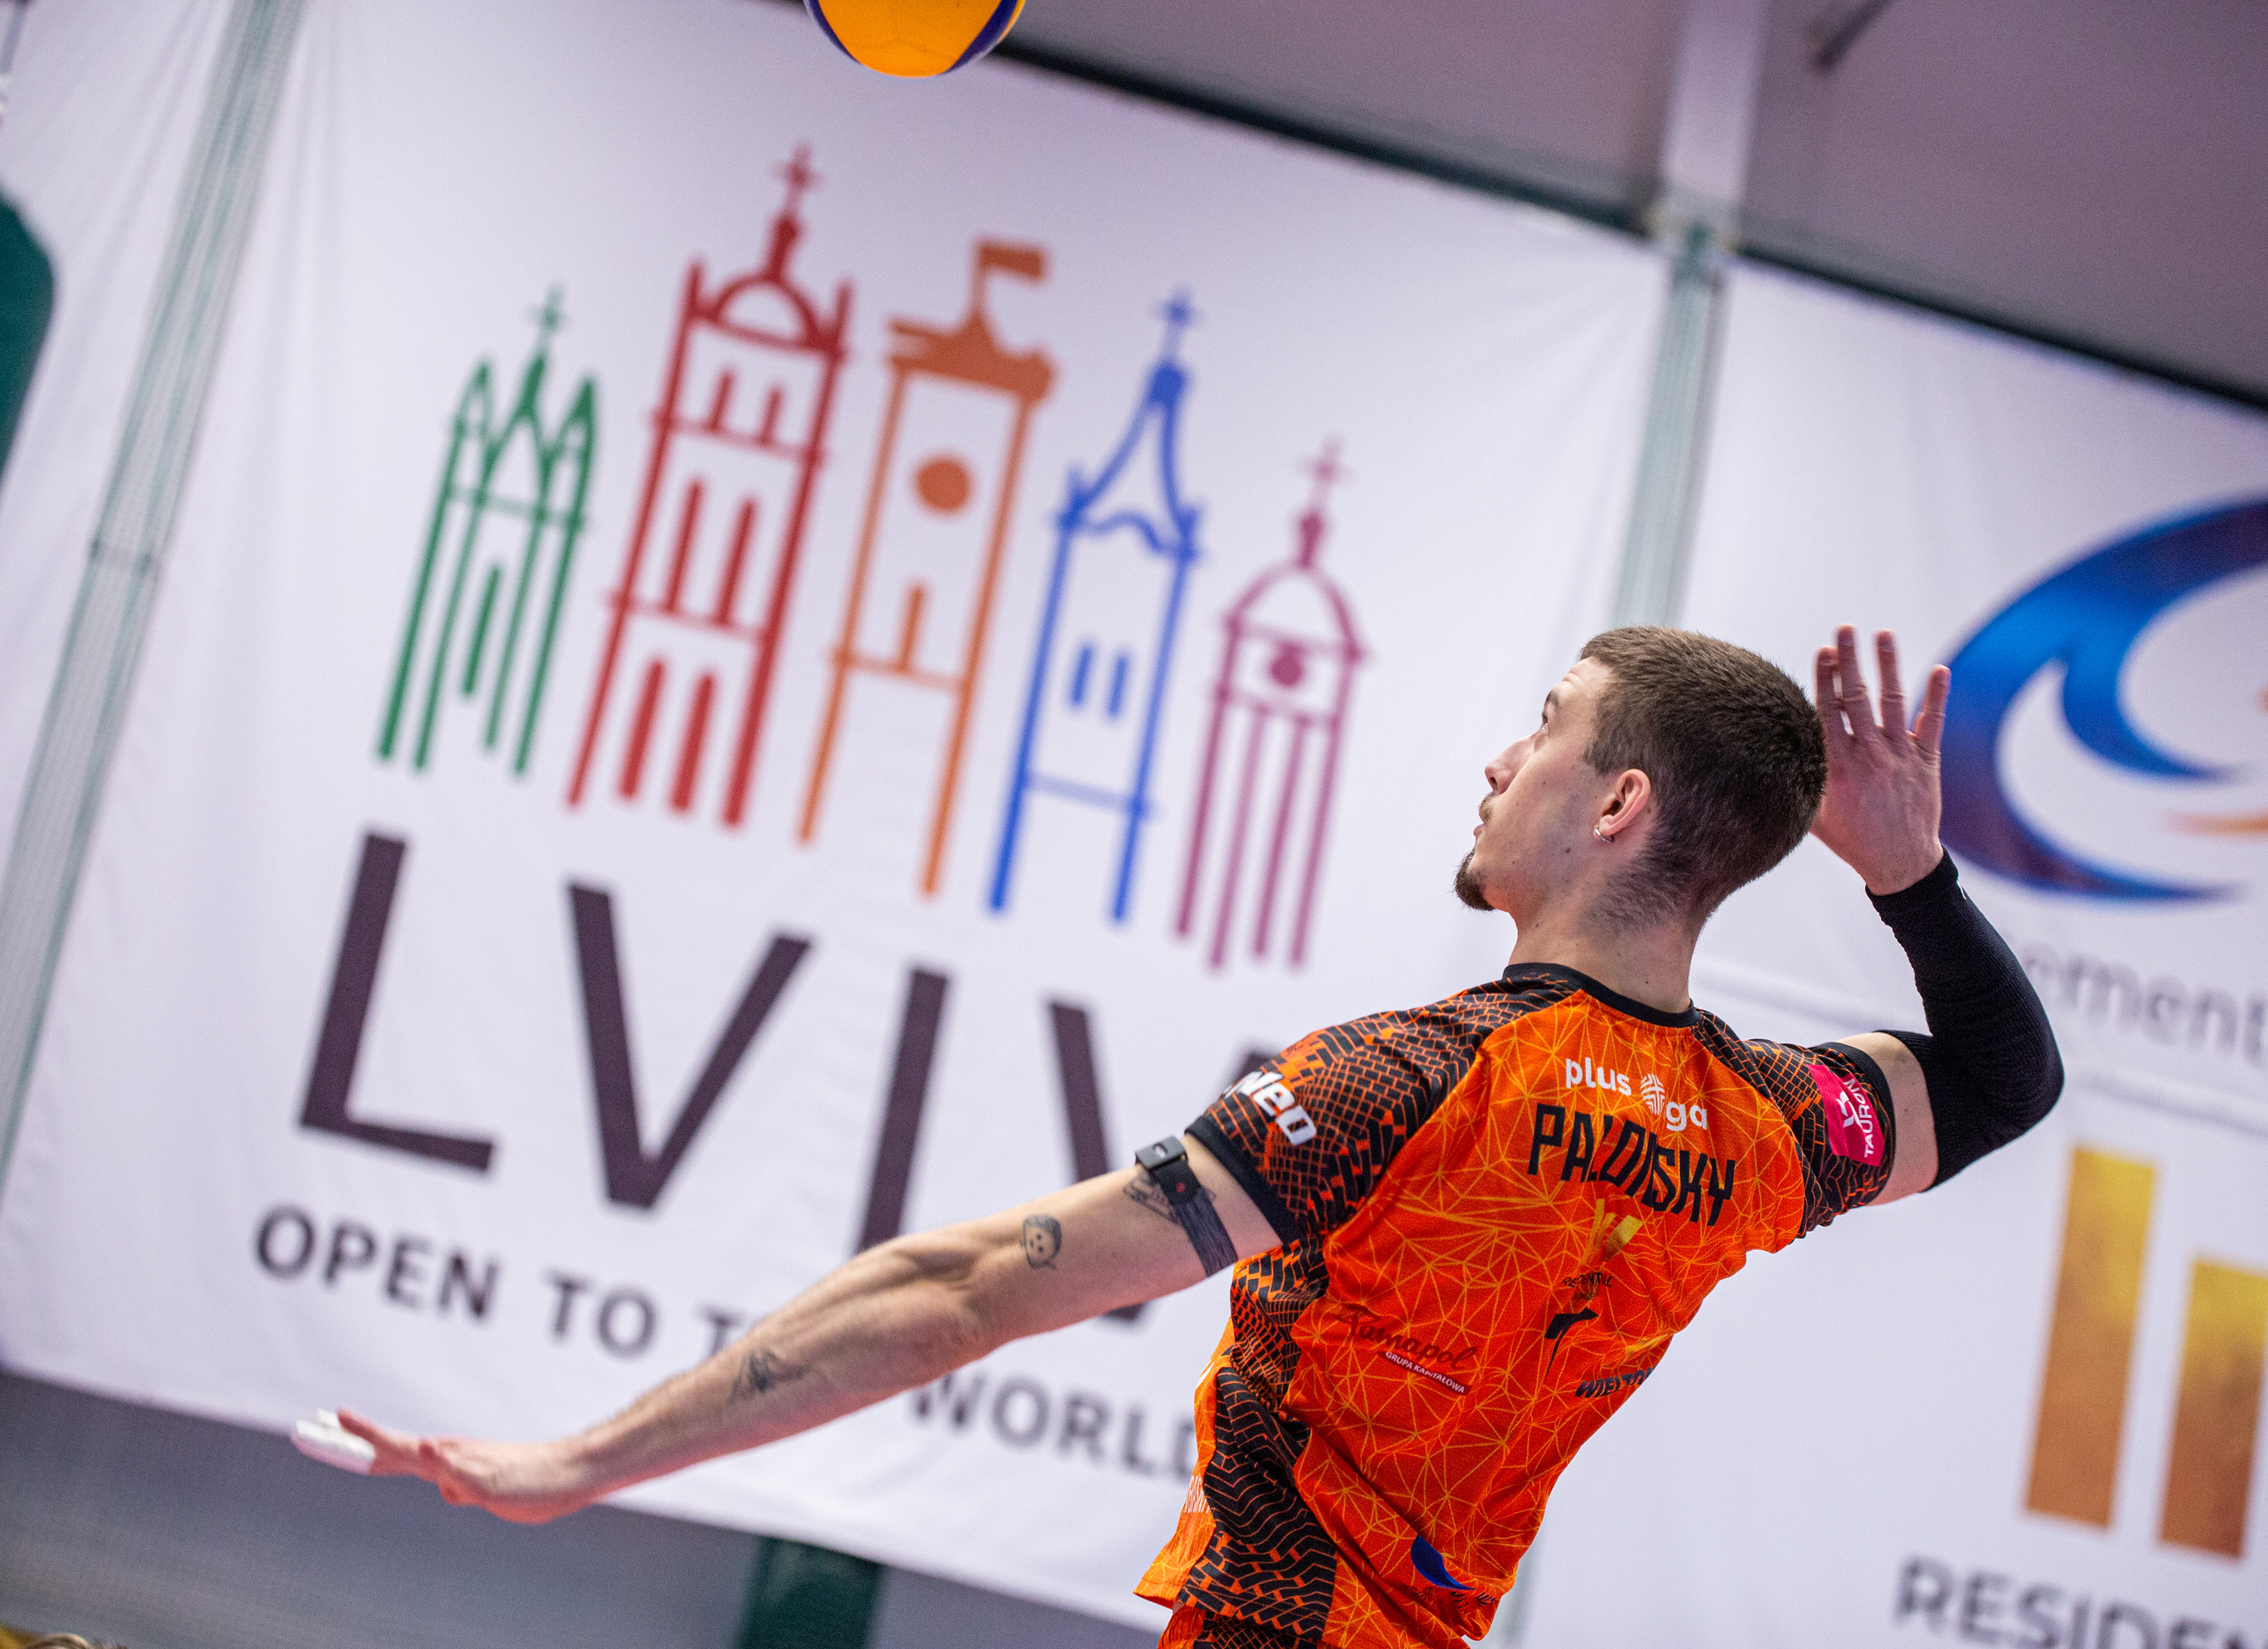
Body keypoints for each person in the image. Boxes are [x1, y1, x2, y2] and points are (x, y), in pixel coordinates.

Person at [342, 624, 2061, 1649]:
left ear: (1618, 804)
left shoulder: (1409, 1084)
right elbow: (2002, 1082)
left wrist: (576, 1464)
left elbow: (966, 1290)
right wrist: (1909, 874)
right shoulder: (1768, 1126)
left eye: (1545, 723)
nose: (1499, 759)